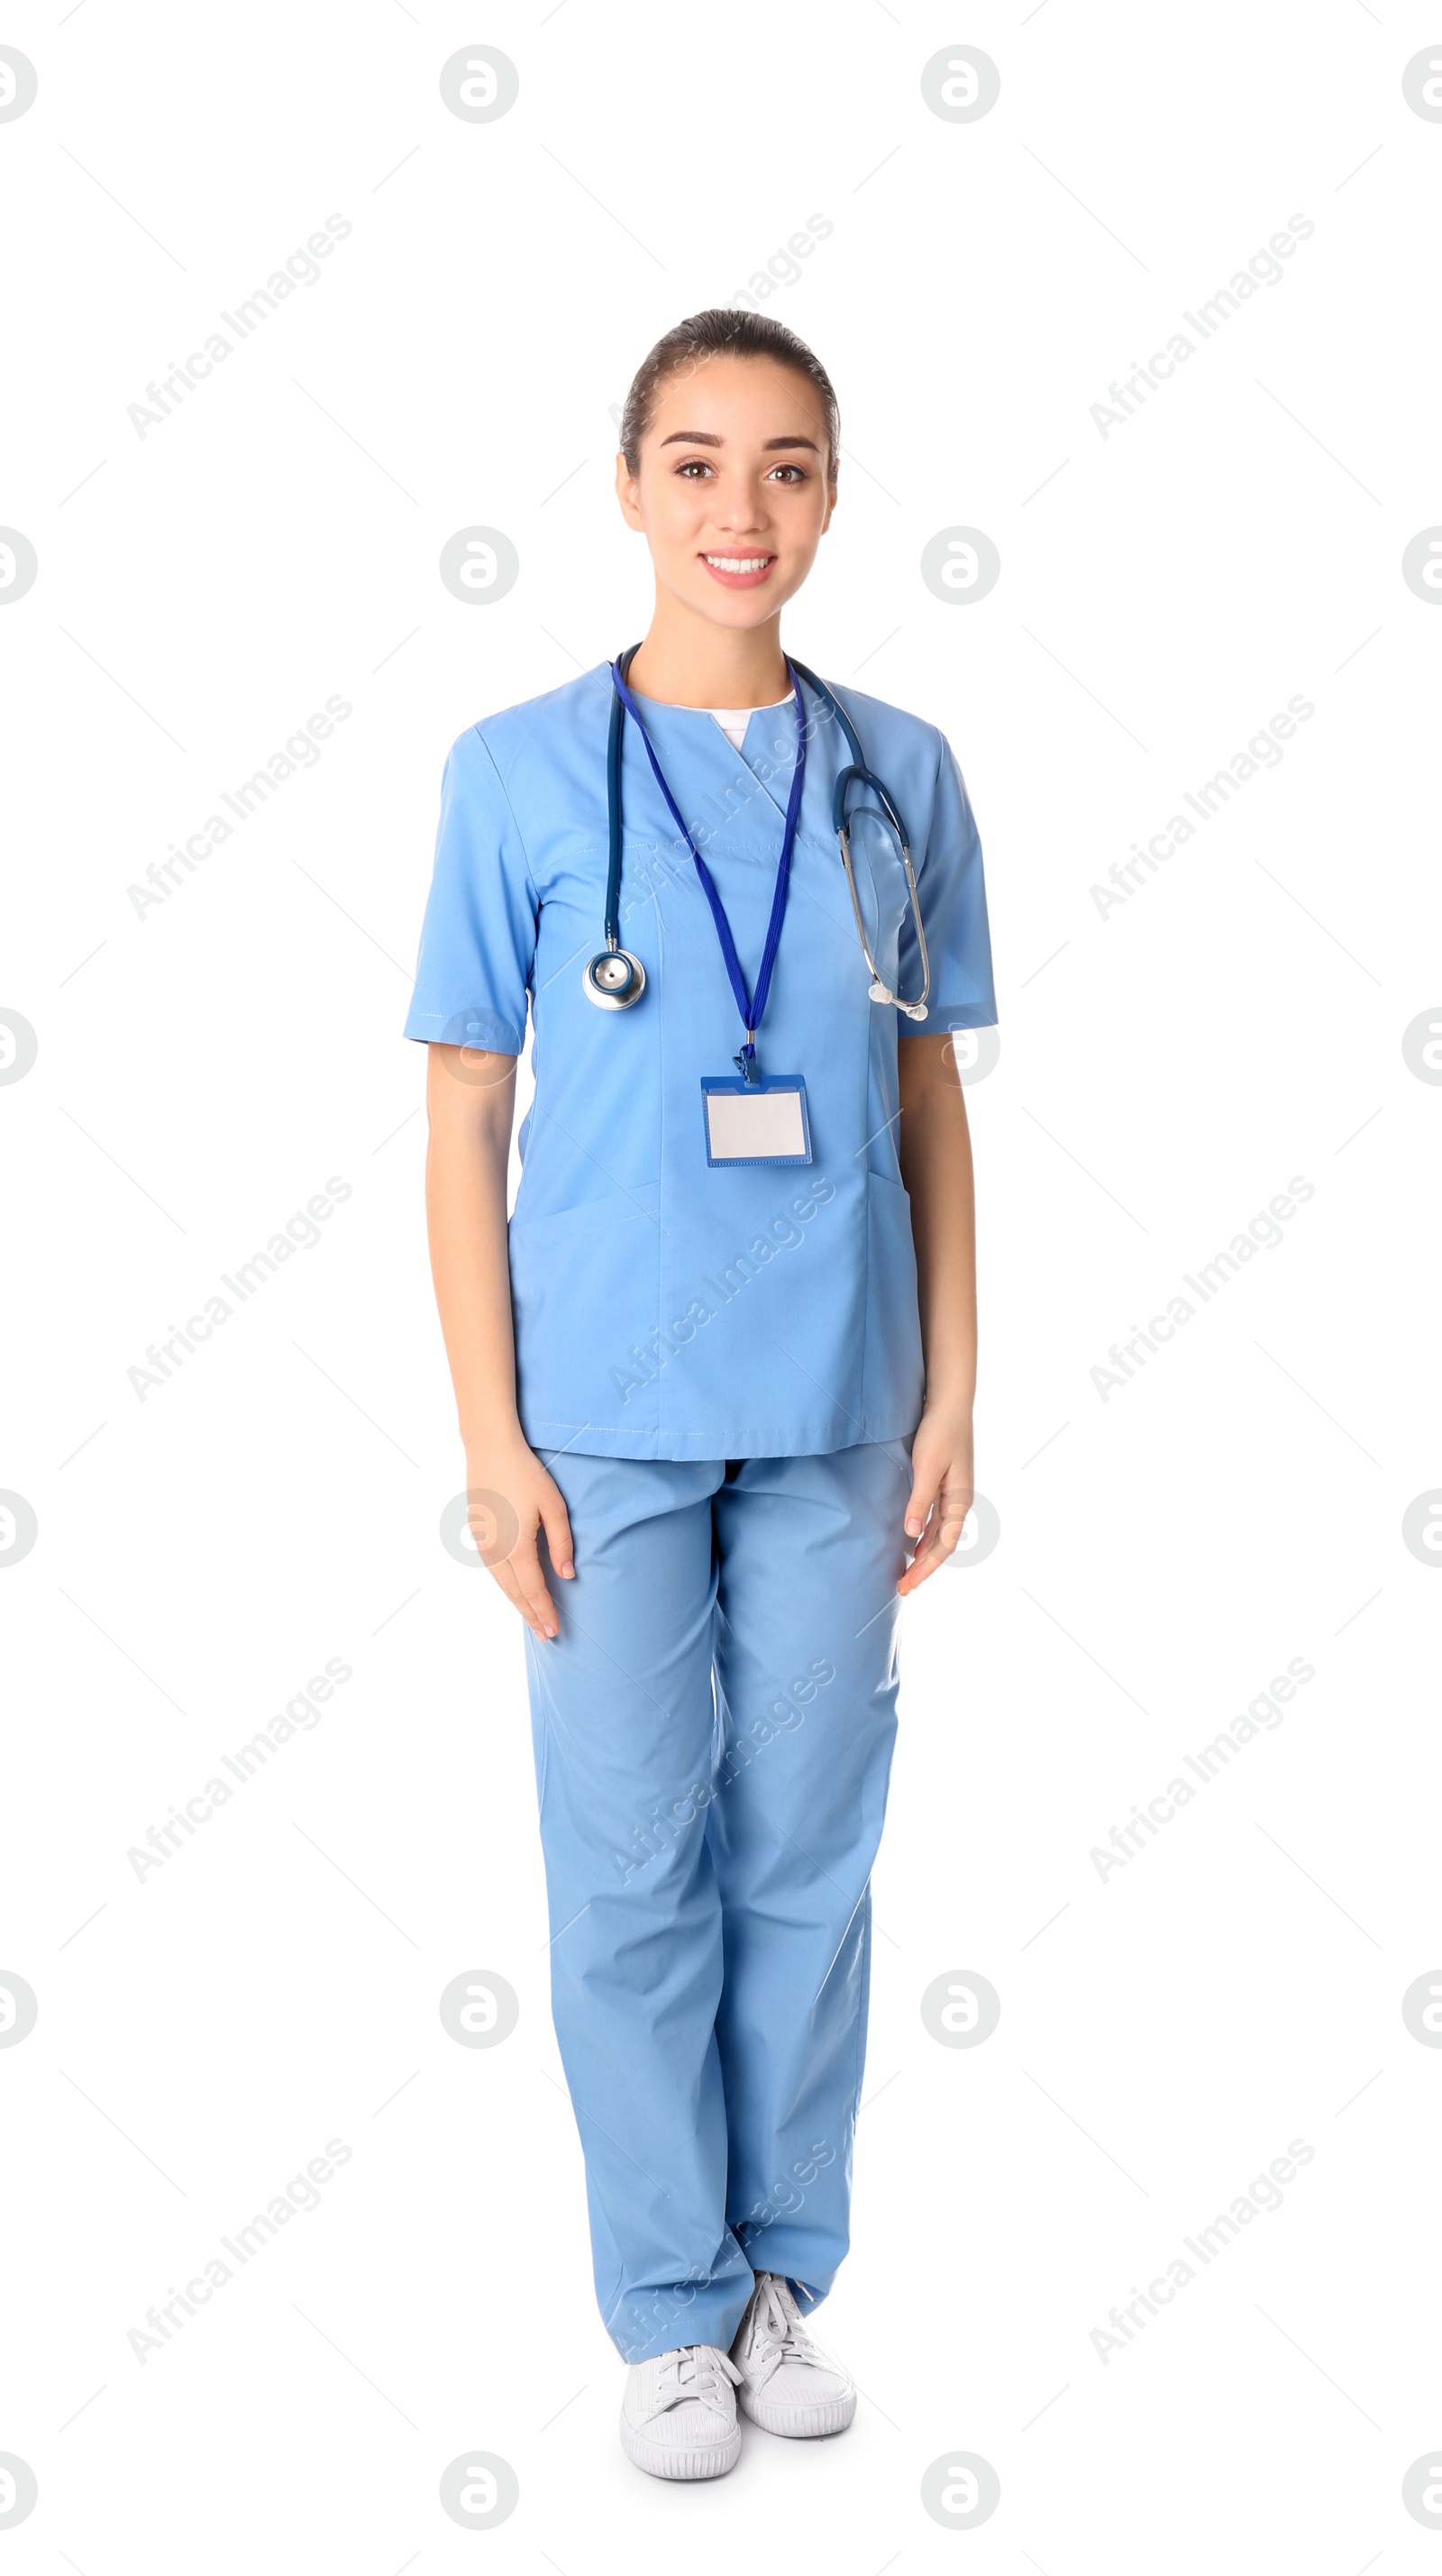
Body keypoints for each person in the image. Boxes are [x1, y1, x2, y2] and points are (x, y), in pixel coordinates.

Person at [406, 309, 996, 2480]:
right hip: (603, 1411)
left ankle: (778, 2277)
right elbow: (465, 1109)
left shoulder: (897, 771)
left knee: (805, 1855)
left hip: (842, 1396)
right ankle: (665, 2305)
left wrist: (947, 1395)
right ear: (627, 489)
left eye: (784, 467)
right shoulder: (516, 772)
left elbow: (927, 1098)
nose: (738, 511)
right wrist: (490, 1441)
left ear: (832, 498)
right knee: (630, 1856)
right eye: (694, 463)